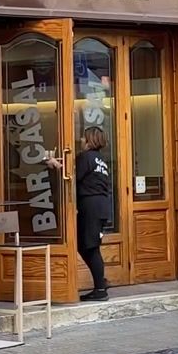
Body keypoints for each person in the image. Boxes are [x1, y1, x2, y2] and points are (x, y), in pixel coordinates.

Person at [49, 126, 113, 301]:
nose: (81, 140)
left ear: (90, 140)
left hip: (90, 206)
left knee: (89, 247)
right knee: (88, 245)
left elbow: (72, 178)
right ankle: (101, 281)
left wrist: (56, 166)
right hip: (101, 206)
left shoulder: (86, 157)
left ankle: (100, 289)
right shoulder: (100, 159)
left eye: (84, 138)